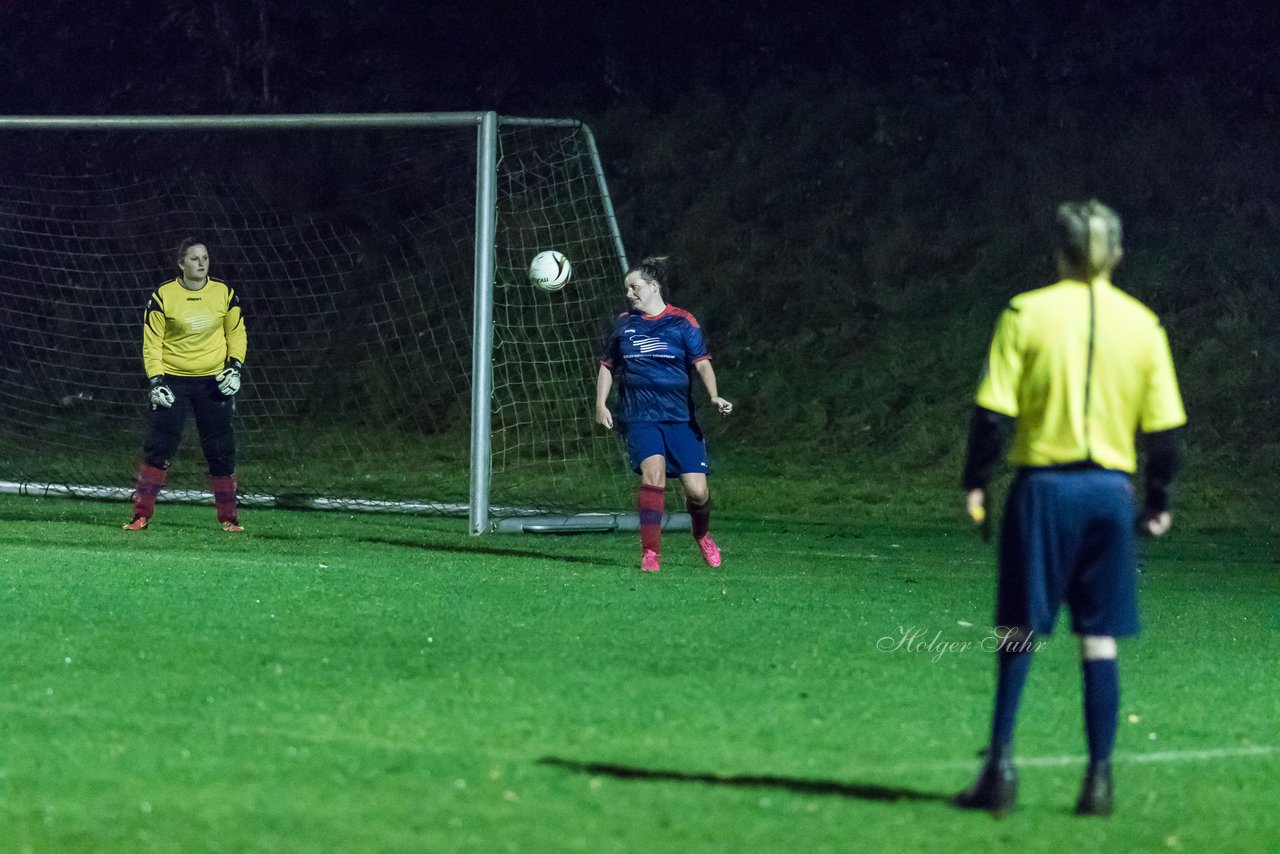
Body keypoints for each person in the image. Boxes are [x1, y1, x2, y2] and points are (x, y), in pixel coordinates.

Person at [954, 200, 1186, 816]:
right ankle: (1099, 782)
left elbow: (994, 413)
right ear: (1117, 255)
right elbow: (1165, 434)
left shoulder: (1026, 314)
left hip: (1045, 491)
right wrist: (1158, 501)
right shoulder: (1143, 325)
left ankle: (999, 772)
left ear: (1058, 251)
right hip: (1110, 495)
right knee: (1099, 638)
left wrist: (975, 481)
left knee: (1019, 632)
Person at [595, 256, 733, 573]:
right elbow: (607, 366)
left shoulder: (683, 322)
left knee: (698, 492)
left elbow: (701, 362)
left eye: (635, 287)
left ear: (653, 286)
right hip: (640, 416)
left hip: (679, 419)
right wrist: (600, 404)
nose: (629, 293)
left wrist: (714, 396)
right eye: (627, 289)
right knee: (653, 473)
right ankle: (650, 554)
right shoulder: (624, 324)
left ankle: (702, 533)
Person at [123, 239, 247, 532]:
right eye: (194, 258)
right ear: (181, 263)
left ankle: (229, 519)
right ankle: (140, 515)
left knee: (221, 450)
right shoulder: (164, 296)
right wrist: (156, 380)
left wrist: (235, 368)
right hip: (174, 382)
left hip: (213, 382)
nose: (201, 263)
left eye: (205, 257)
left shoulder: (224, 294)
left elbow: (237, 333)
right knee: (159, 448)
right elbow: (152, 343)